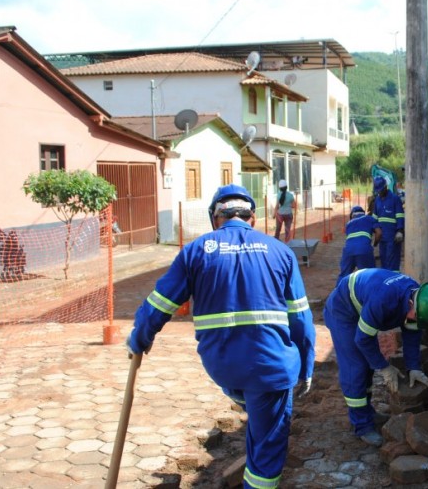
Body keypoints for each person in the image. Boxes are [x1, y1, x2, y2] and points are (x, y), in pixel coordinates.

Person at [126, 184, 315, 489]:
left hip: (222, 366)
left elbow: (160, 303)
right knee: (269, 438)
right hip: (270, 365)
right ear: (252, 218)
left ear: (216, 219)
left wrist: (139, 337)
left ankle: (253, 414)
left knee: (255, 403)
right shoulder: (281, 252)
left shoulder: (196, 251)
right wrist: (306, 369)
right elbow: (302, 321)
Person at [324, 268, 428, 446]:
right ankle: (362, 426)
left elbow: (412, 333)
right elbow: (363, 338)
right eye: (416, 317)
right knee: (357, 367)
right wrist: (383, 367)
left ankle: (368, 413)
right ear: (411, 303)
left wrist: (414, 367)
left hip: (365, 303)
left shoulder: (419, 297)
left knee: (367, 365)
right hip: (343, 312)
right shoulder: (383, 300)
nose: (416, 321)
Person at [337, 206, 381, 284]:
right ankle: (368, 294)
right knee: (368, 276)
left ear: (352, 215)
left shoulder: (349, 224)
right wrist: (375, 244)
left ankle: (338, 294)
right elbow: (379, 233)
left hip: (348, 251)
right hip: (364, 249)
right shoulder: (369, 219)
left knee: (344, 276)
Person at [371, 176, 404, 271]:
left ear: (385, 187)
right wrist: (374, 231)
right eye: (378, 191)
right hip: (382, 239)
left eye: (380, 190)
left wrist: (400, 231)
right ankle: (386, 283)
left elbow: (400, 216)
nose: (379, 193)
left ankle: (394, 283)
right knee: (384, 263)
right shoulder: (377, 200)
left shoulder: (395, 199)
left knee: (393, 263)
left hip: (393, 238)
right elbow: (374, 218)